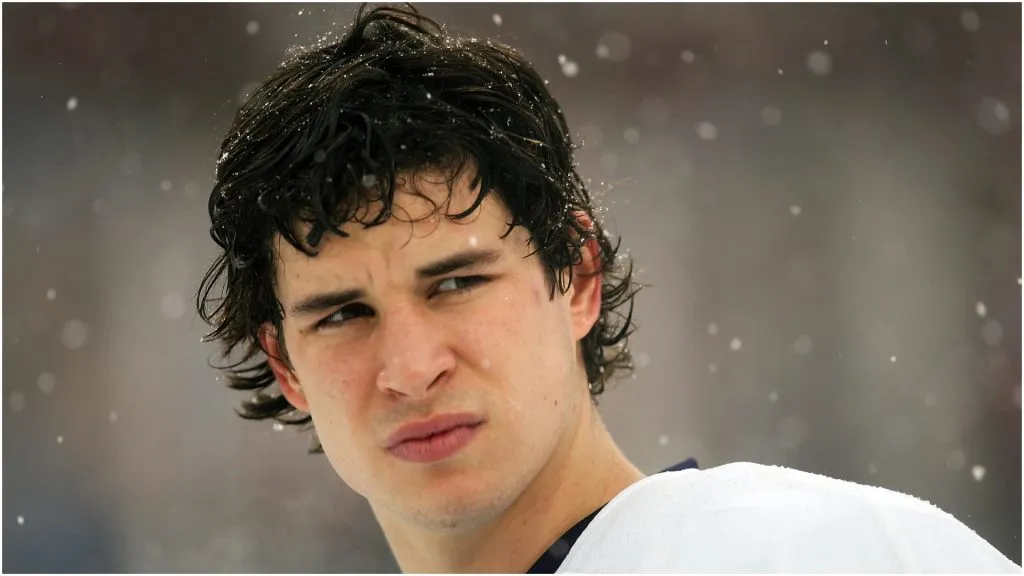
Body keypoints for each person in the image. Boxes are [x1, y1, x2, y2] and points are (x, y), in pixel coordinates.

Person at [197, 4, 1020, 573]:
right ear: (286, 363)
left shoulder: (817, 556)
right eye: (344, 313)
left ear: (577, 276)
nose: (411, 367)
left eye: (455, 283)